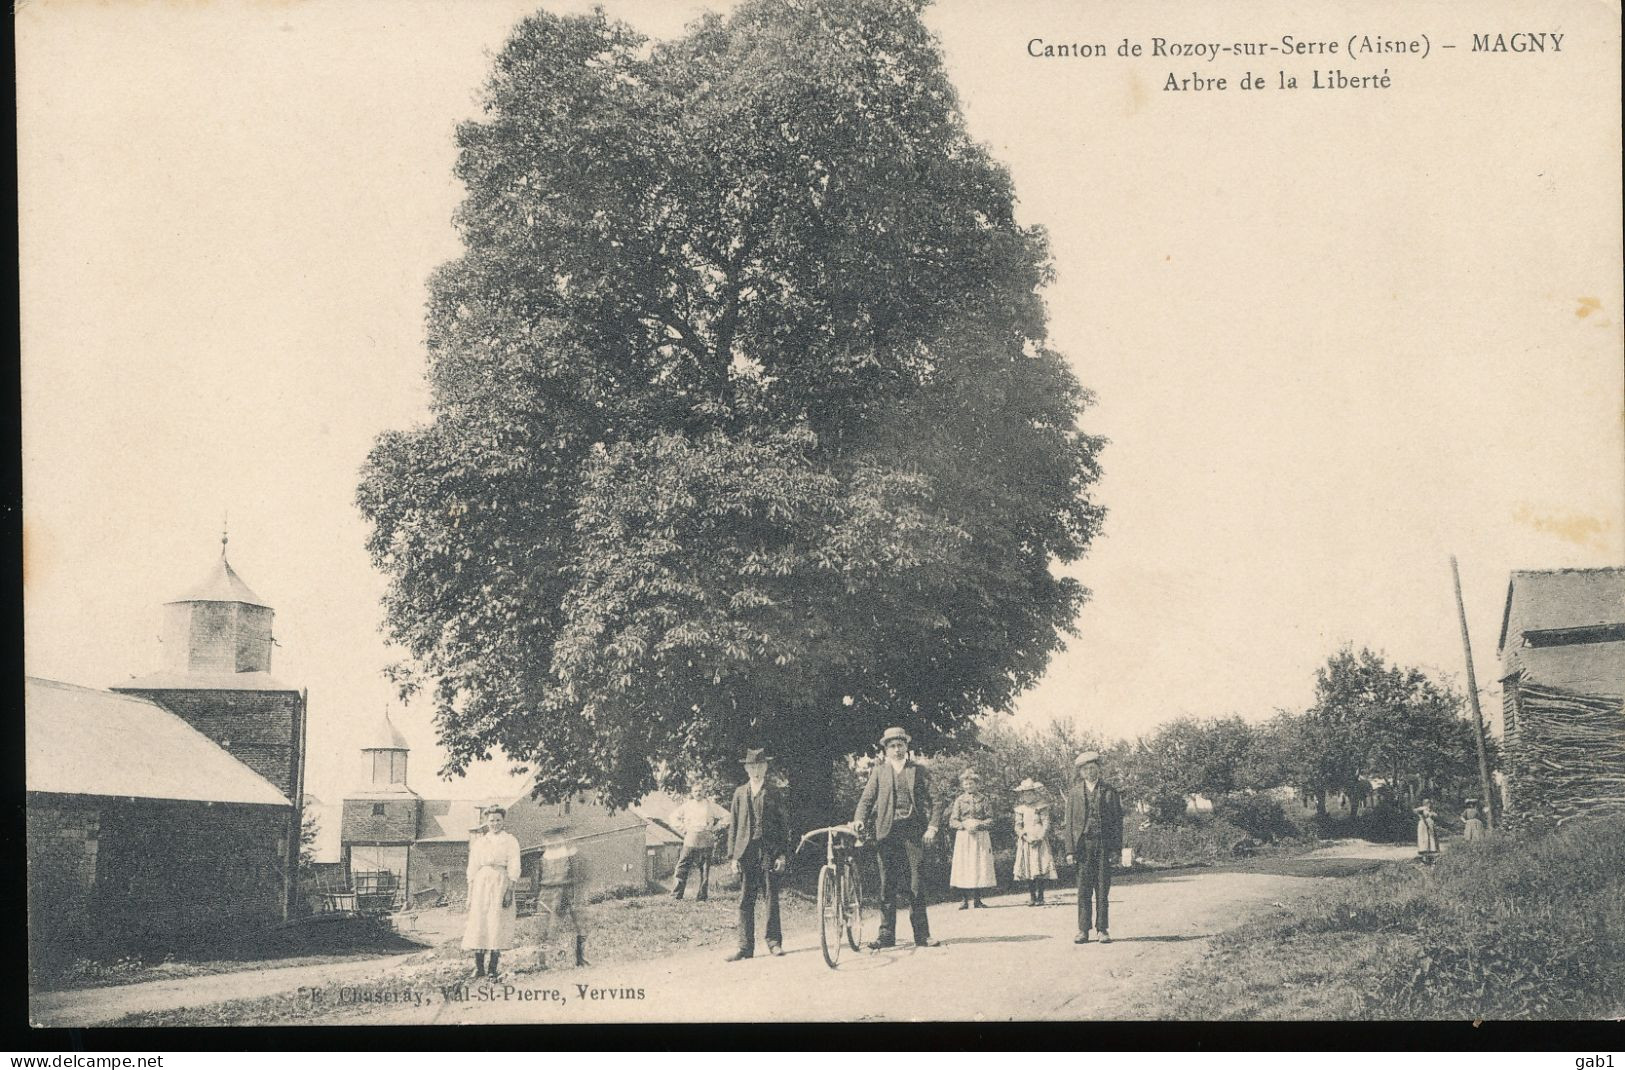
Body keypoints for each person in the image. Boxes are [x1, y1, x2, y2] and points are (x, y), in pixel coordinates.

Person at [853, 726, 941, 949]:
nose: (897, 749)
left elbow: (937, 801)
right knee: (886, 885)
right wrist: (859, 819)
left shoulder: (918, 771)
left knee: (916, 884)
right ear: (885, 750)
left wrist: (932, 827)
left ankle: (922, 935)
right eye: (892, 746)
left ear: (907, 746)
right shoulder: (879, 771)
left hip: (913, 832)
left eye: (900, 745)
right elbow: (866, 800)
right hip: (887, 834)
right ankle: (886, 936)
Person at [724, 747, 793, 961]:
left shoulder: (774, 792)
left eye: (760, 766)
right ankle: (745, 947)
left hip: (769, 851)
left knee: (771, 896)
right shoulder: (739, 793)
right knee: (746, 899)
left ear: (766, 767)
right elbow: (734, 826)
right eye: (752, 766)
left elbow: (784, 827)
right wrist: (733, 857)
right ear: (746, 768)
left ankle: (774, 942)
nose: (756, 770)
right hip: (747, 852)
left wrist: (782, 855)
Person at [1062, 751, 1123, 945]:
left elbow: (1117, 823)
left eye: (1093, 767)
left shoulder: (1109, 791)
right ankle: (1083, 930)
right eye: (1086, 769)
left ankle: (1102, 930)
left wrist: (1116, 850)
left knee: (1103, 888)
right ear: (1081, 772)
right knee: (1083, 889)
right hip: (1083, 847)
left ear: (1099, 769)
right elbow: (1069, 824)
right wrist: (1070, 851)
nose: (1090, 771)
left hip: (1104, 845)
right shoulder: (1074, 793)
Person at [462, 806, 521, 979]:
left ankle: (493, 968)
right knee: (479, 923)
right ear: (486, 822)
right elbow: (472, 868)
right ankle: (478, 967)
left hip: (500, 882)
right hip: (481, 883)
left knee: (496, 923)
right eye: (491, 820)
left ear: (503, 821)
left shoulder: (510, 841)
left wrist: (510, 890)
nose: (495, 824)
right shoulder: (480, 842)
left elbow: (514, 866)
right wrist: (470, 894)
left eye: (498, 820)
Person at [947, 769, 996, 909]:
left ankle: (977, 899)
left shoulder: (984, 799)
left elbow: (991, 819)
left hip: (980, 836)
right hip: (964, 836)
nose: (969, 786)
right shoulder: (959, 800)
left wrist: (979, 824)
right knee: (964, 866)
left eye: (971, 784)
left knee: (978, 866)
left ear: (976, 784)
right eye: (966, 784)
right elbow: (952, 820)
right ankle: (964, 900)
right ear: (963, 785)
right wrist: (963, 825)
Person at [536, 839, 589, 969]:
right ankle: (542, 962)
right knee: (546, 927)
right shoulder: (543, 857)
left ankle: (580, 958)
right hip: (548, 894)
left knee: (580, 924)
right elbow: (538, 879)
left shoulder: (571, 855)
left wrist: (575, 894)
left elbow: (578, 875)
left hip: (568, 892)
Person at [669, 780, 723, 901]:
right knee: (682, 866)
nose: (698, 793)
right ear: (692, 792)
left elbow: (727, 816)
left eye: (700, 790)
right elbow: (672, 817)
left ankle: (702, 896)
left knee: (704, 868)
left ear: (704, 792)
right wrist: (684, 829)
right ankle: (676, 895)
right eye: (695, 791)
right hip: (691, 838)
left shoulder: (710, 805)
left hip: (706, 837)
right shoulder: (687, 805)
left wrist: (715, 827)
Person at [1012, 778, 1057, 906]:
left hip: (1039, 839)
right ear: (1022, 795)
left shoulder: (1041, 806)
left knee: (1040, 867)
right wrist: (1024, 837)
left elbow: (1046, 823)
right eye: (1025, 794)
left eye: (1030, 793)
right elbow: (1017, 826)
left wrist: (1040, 837)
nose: (1028, 796)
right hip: (1027, 840)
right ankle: (1032, 896)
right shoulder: (1020, 809)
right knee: (1029, 869)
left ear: (1035, 793)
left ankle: (1041, 896)